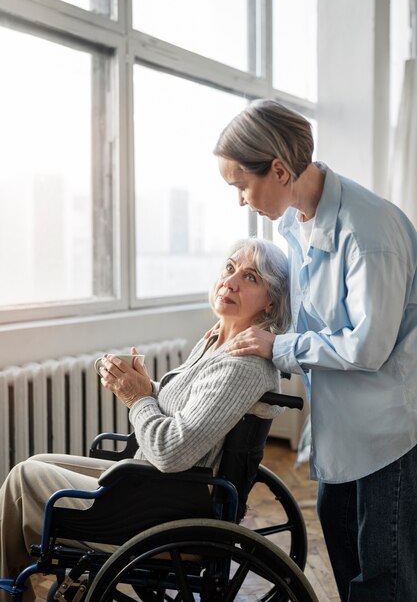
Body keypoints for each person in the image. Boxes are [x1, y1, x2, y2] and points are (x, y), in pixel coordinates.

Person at [0, 237, 290, 602]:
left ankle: (10, 589)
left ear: (271, 302)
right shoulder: (218, 341)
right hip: (155, 484)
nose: (230, 281)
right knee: (36, 464)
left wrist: (136, 397)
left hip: (168, 500)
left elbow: (171, 452)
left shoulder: (242, 364)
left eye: (250, 277)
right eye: (229, 268)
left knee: (24, 479)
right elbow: (188, 408)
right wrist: (139, 384)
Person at [213, 98, 417, 602]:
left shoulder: (369, 232)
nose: (241, 200)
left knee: (384, 572)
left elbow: (367, 346)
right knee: (341, 539)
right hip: (342, 421)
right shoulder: (292, 224)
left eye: (242, 185)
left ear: (279, 169)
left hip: (389, 427)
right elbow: (308, 315)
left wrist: (278, 346)